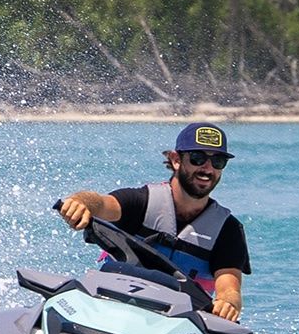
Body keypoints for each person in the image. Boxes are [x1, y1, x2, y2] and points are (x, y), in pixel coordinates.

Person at [57, 122, 251, 322]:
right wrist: (79, 203)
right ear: (176, 160)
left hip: (177, 325)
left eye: (218, 161)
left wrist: (228, 303)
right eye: (197, 158)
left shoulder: (228, 230)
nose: (207, 169)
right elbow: (99, 203)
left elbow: (229, 287)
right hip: (112, 307)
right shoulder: (139, 202)